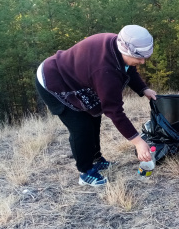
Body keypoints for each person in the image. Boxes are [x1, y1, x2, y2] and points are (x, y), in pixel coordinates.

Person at [35, 25, 157, 186]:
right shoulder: (105, 70)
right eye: (139, 58)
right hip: (54, 82)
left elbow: (129, 68)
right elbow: (114, 111)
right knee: (81, 127)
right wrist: (138, 142)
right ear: (125, 50)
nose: (142, 62)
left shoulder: (119, 44)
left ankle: (96, 159)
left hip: (76, 78)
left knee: (94, 117)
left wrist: (144, 89)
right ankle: (85, 172)